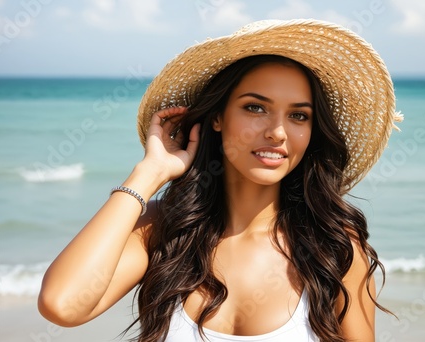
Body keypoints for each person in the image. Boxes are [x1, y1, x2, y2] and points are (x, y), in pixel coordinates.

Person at [38, 19, 402, 342]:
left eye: (298, 116)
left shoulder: (333, 249)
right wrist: (149, 173)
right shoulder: (163, 230)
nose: (277, 132)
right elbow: (62, 305)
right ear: (217, 117)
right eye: (255, 107)